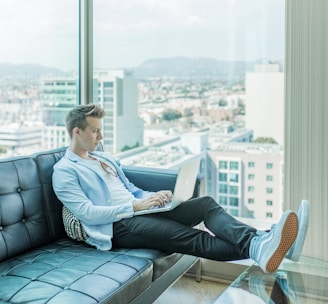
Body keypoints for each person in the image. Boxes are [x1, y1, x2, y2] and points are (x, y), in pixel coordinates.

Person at [52, 104, 308, 274]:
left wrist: (151, 198)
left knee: (205, 204)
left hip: (140, 211)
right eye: (95, 131)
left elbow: (129, 188)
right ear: (77, 131)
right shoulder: (65, 171)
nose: (101, 137)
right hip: (118, 226)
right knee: (191, 237)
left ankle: (263, 243)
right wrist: (134, 206)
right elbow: (87, 213)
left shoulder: (103, 158)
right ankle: (267, 243)